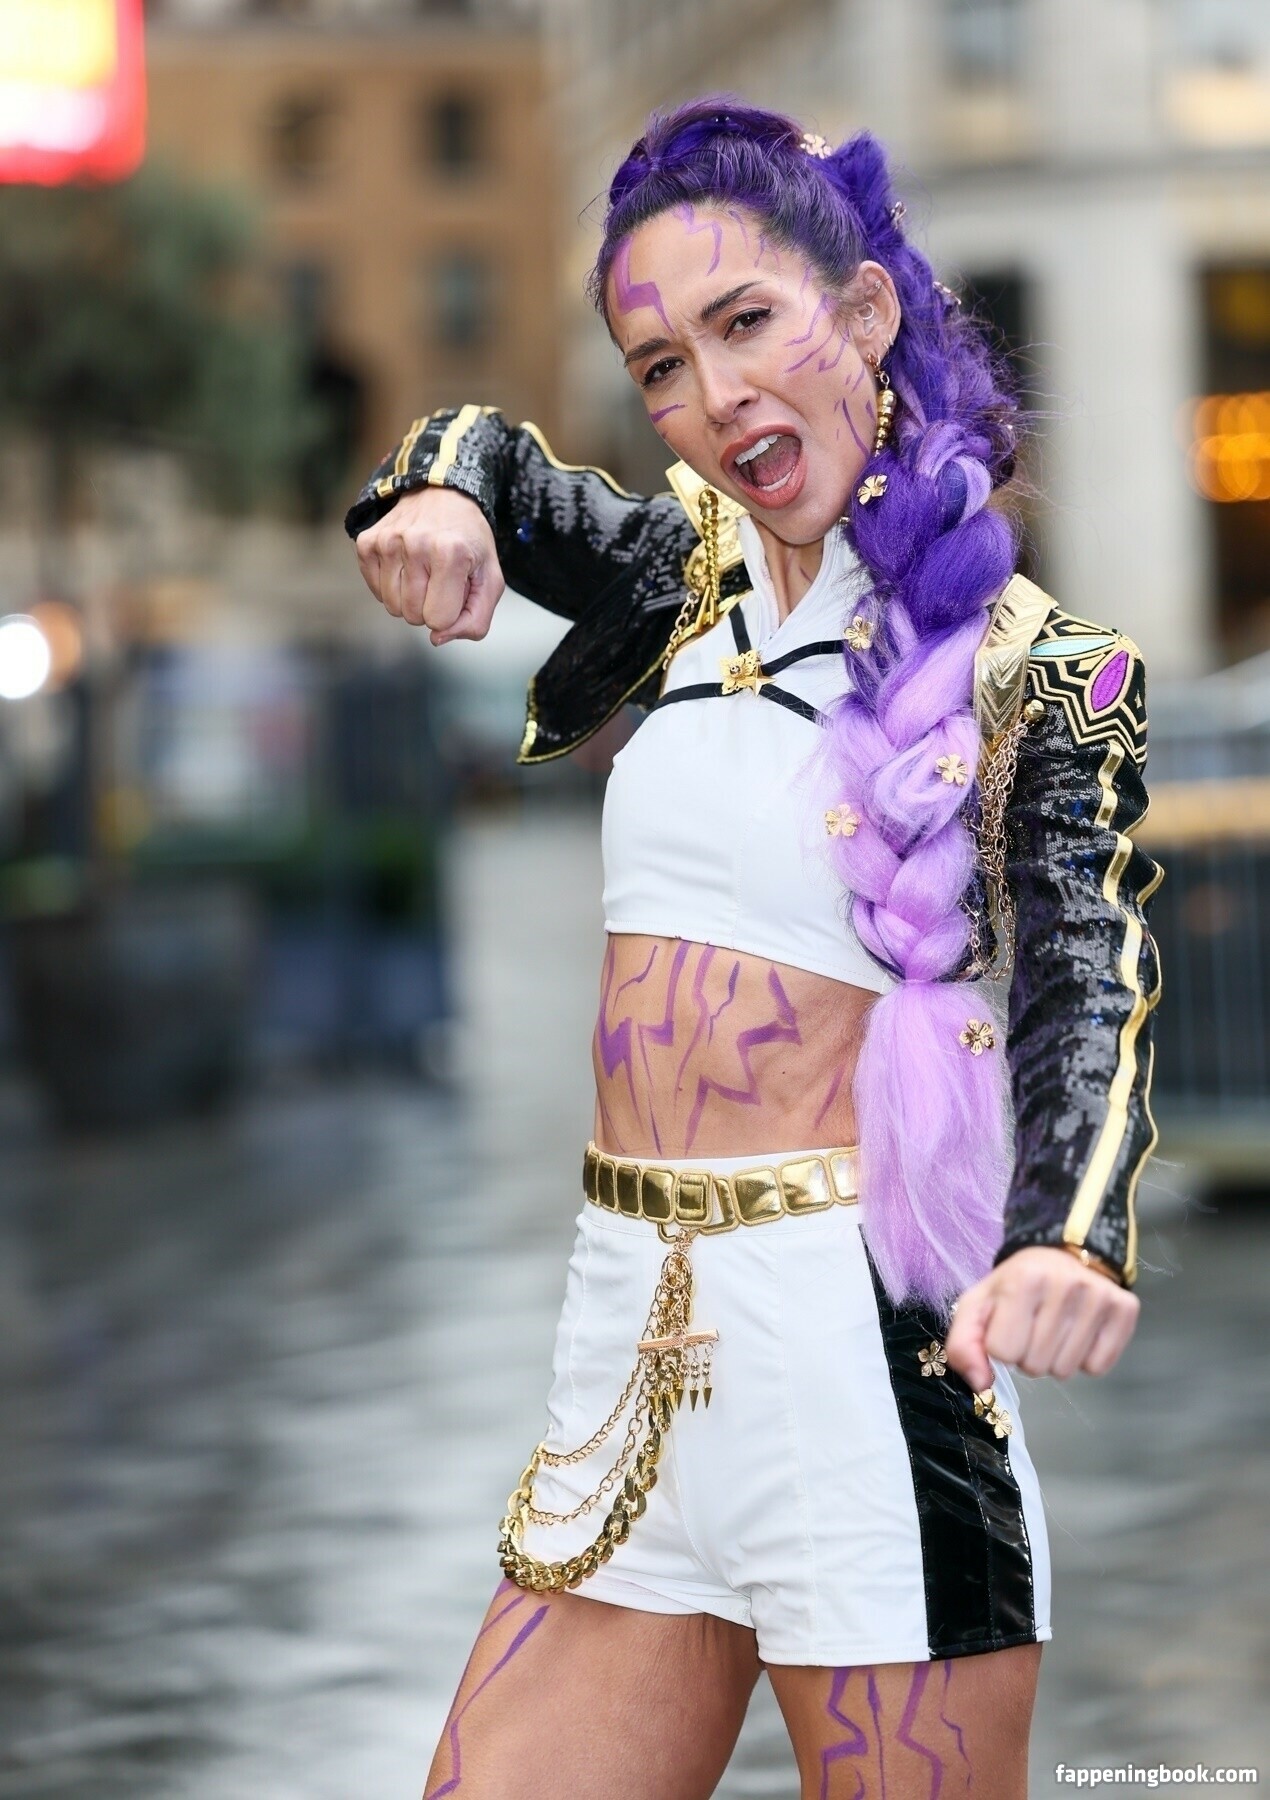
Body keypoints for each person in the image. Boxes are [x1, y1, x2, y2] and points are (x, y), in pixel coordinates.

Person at [347, 100, 1161, 1800]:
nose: (712, 396)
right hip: (624, 1347)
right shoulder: (669, 575)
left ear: (861, 313)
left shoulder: (1041, 672)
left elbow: (1088, 971)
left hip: (859, 1379)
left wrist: (1067, 1237)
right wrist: (436, 494)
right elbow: (484, 453)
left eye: (746, 323)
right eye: (660, 364)